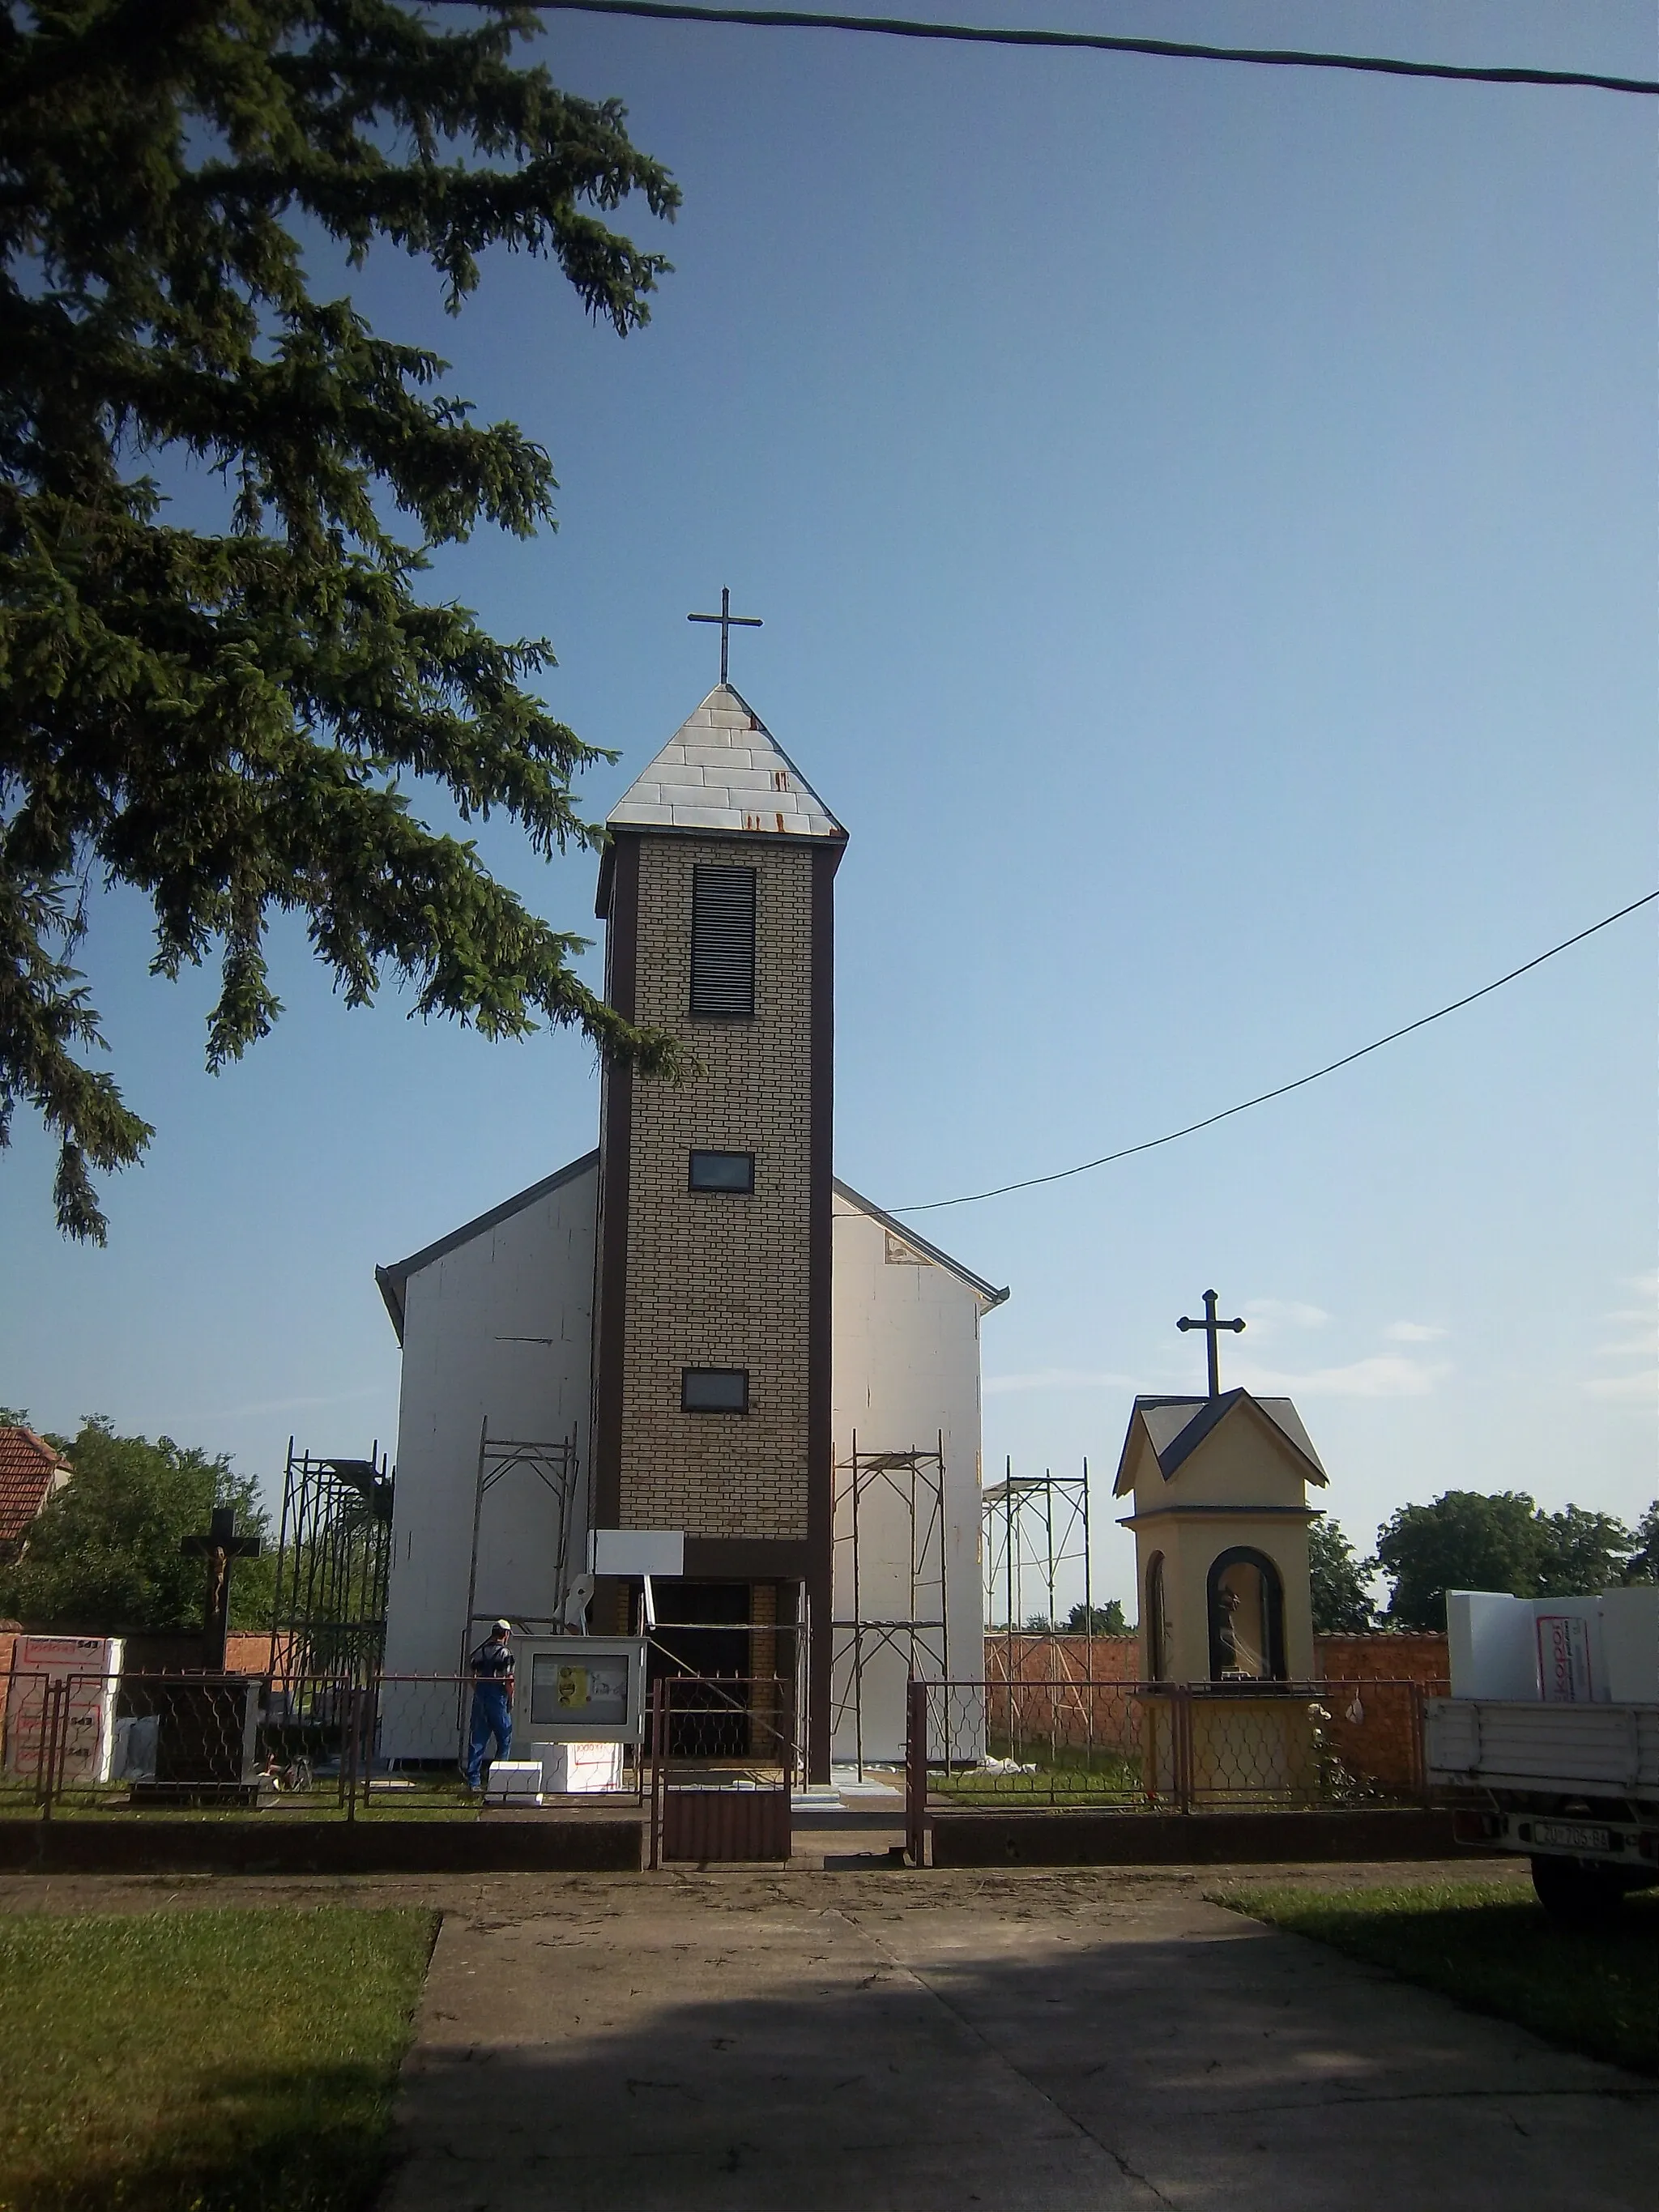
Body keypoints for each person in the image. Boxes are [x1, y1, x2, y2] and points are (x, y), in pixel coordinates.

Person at [464, 1619, 515, 1789]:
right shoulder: (505, 1654)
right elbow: (509, 1680)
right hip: (498, 1698)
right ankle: (499, 1778)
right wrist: (510, 1698)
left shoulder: (480, 1652)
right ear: (506, 1635)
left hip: (480, 1697)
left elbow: (472, 1676)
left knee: (478, 1740)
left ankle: (474, 1781)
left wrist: (478, 1690)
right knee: (505, 1737)